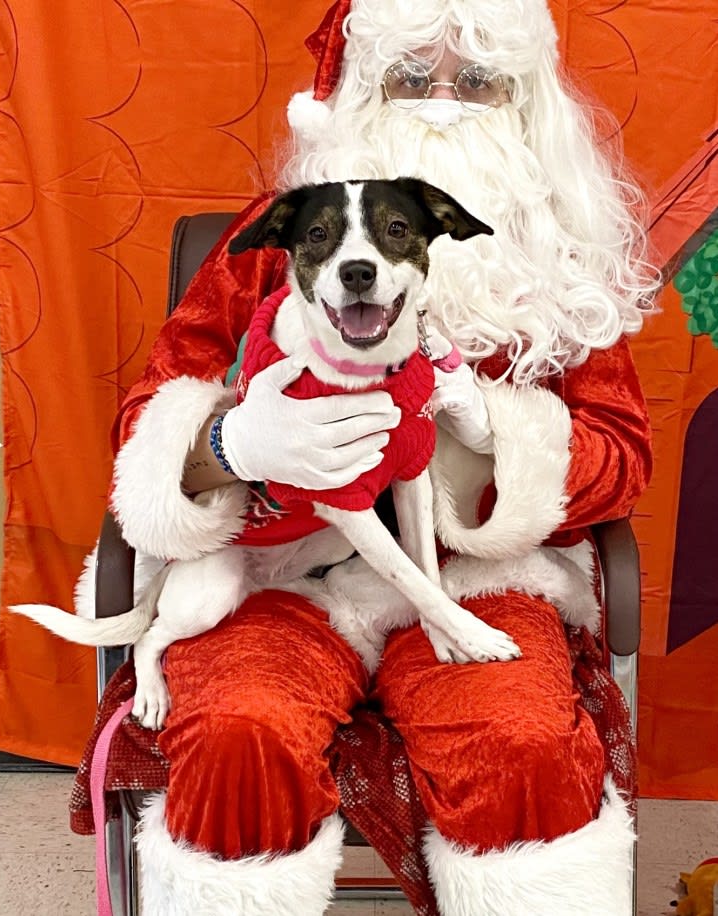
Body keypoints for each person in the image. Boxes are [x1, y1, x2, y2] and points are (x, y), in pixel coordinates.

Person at [95, 0, 660, 912]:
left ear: (523, 103)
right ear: (362, 92)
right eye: (410, 78)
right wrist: (229, 442)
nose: (440, 106)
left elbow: (622, 455)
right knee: (239, 729)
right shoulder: (278, 241)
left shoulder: (563, 258)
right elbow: (145, 422)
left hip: (481, 577)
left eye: (475, 82)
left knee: (518, 742)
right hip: (278, 571)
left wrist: (499, 435)